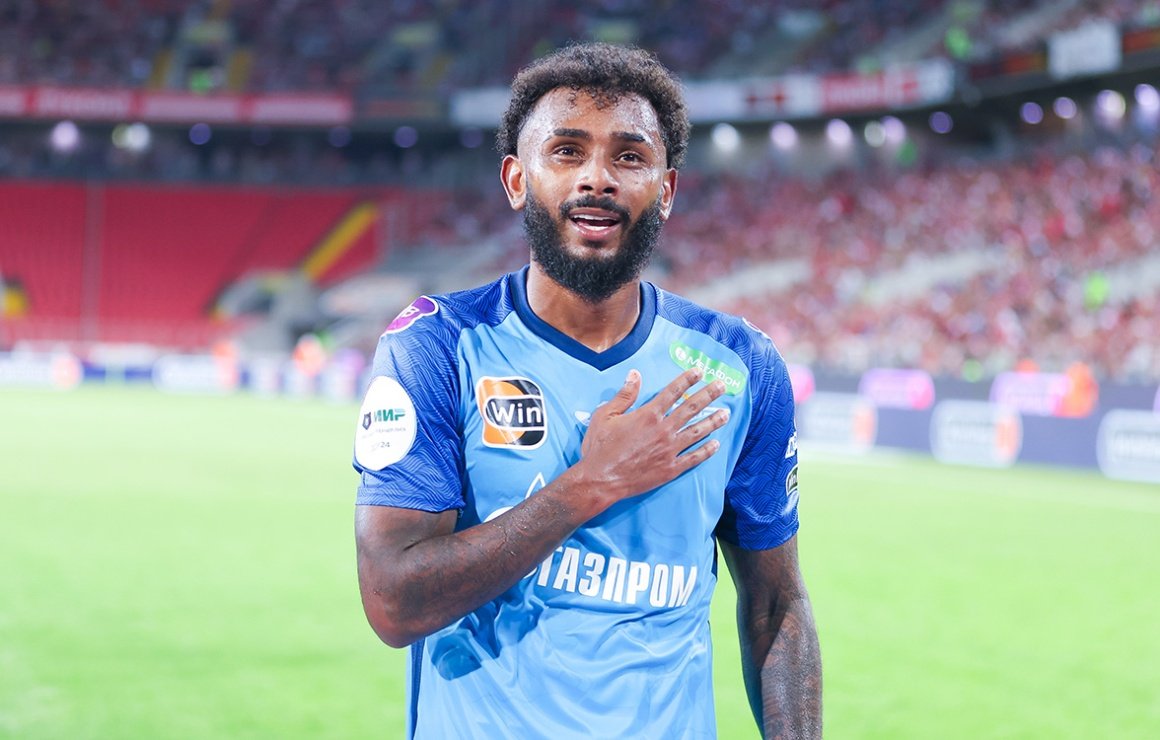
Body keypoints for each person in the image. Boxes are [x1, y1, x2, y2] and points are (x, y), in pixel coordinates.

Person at [353, 42, 821, 739]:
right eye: (567, 151)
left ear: (666, 189)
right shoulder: (436, 347)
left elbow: (775, 605)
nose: (597, 177)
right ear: (517, 179)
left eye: (629, 156)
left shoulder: (739, 366)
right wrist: (590, 485)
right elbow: (394, 602)